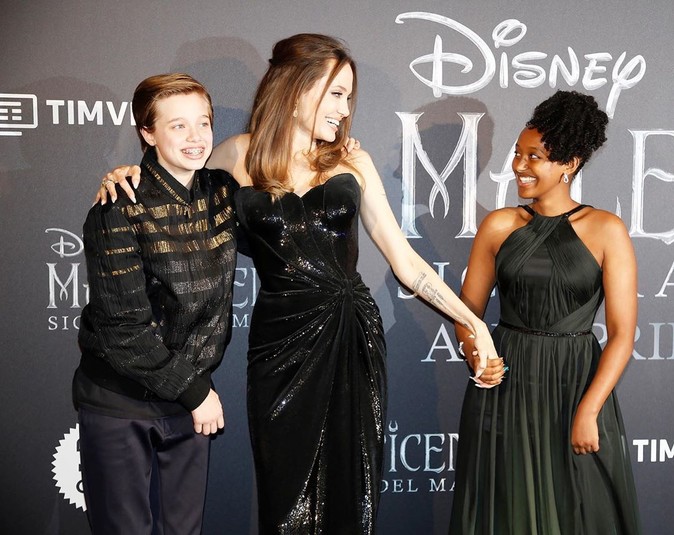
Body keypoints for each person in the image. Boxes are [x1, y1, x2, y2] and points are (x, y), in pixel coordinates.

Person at [98, 34, 498, 534]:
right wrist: (128, 175)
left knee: (351, 488)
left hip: (350, 335)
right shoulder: (236, 154)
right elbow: (175, 183)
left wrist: (473, 323)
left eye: (349, 97)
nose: (345, 109)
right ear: (295, 88)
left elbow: (406, 263)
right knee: (284, 493)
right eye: (336, 93)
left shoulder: (352, 162)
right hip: (280, 344)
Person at [449, 90, 641, 534]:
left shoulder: (606, 230)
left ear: (569, 163)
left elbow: (622, 333)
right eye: (518, 153)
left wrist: (589, 410)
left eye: (534, 157)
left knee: (577, 511)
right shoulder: (499, 225)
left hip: (576, 385)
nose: (519, 165)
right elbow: (467, 313)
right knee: (506, 508)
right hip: (506, 388)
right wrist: (477, 356)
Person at [74, 73, 239, 534]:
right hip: (121, 402)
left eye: (203, 123)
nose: (196, 137)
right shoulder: (117, 205)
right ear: (147, 133)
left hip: (188, 404)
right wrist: (196, 393)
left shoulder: (222, 193)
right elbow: (123, 328)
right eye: (177, 125)